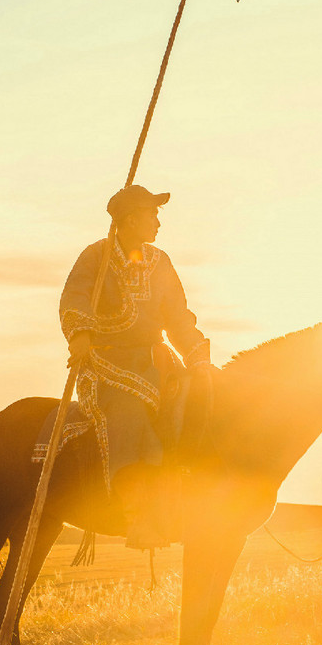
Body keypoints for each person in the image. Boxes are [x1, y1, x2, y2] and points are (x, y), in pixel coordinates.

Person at [59, 185, 211, 548]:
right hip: (105, 362)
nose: (158, 221)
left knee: (197, 405)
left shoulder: (161, 262)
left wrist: (197, 355)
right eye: (152, 214)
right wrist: (79, 333)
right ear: (130, 219)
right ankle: (137, 517)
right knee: (129, 411)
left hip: (154, 361)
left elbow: (177, 317)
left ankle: (188, 498)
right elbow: (75, 295)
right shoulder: (96, 257)